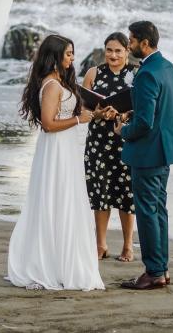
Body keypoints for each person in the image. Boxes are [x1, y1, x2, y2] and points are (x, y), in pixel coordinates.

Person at [7, 34, 104, 291]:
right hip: (56, 150)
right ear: (55, 56)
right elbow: (49, 125)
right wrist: (78, 120)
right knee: (57, 200)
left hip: (67, 148)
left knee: (67, 200)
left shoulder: (61, 81)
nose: (72, 58)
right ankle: (48, 265)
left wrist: (93, 115)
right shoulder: (51, 85)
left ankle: (63, 262)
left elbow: (71, 114)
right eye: (68, 54)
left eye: (73, 53)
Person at [113, 21, 173, 291]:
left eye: (132, 40)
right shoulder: (167, 67)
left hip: (147, 153)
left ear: (144, 42)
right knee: (159, 210)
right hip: (166, 149)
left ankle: (154, 272)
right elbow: (167, 108)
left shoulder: (146, 73)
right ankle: (162, 268)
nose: (129, 45)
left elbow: (145, 122)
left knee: (147, 212)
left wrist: (124, 130)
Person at [82, 32, 136, 262]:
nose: (113, 55)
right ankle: (100, 244)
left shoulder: (136, 74)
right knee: (100, 191)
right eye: (109, 50)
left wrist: (124, 114)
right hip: (98, 141)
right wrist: (97, 114)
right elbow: (82, 109)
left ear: (127, 51)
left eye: (118, 50)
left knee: (126, 194)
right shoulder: (94, 73)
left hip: (126, 139)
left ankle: (128, 245)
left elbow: (143, 108)